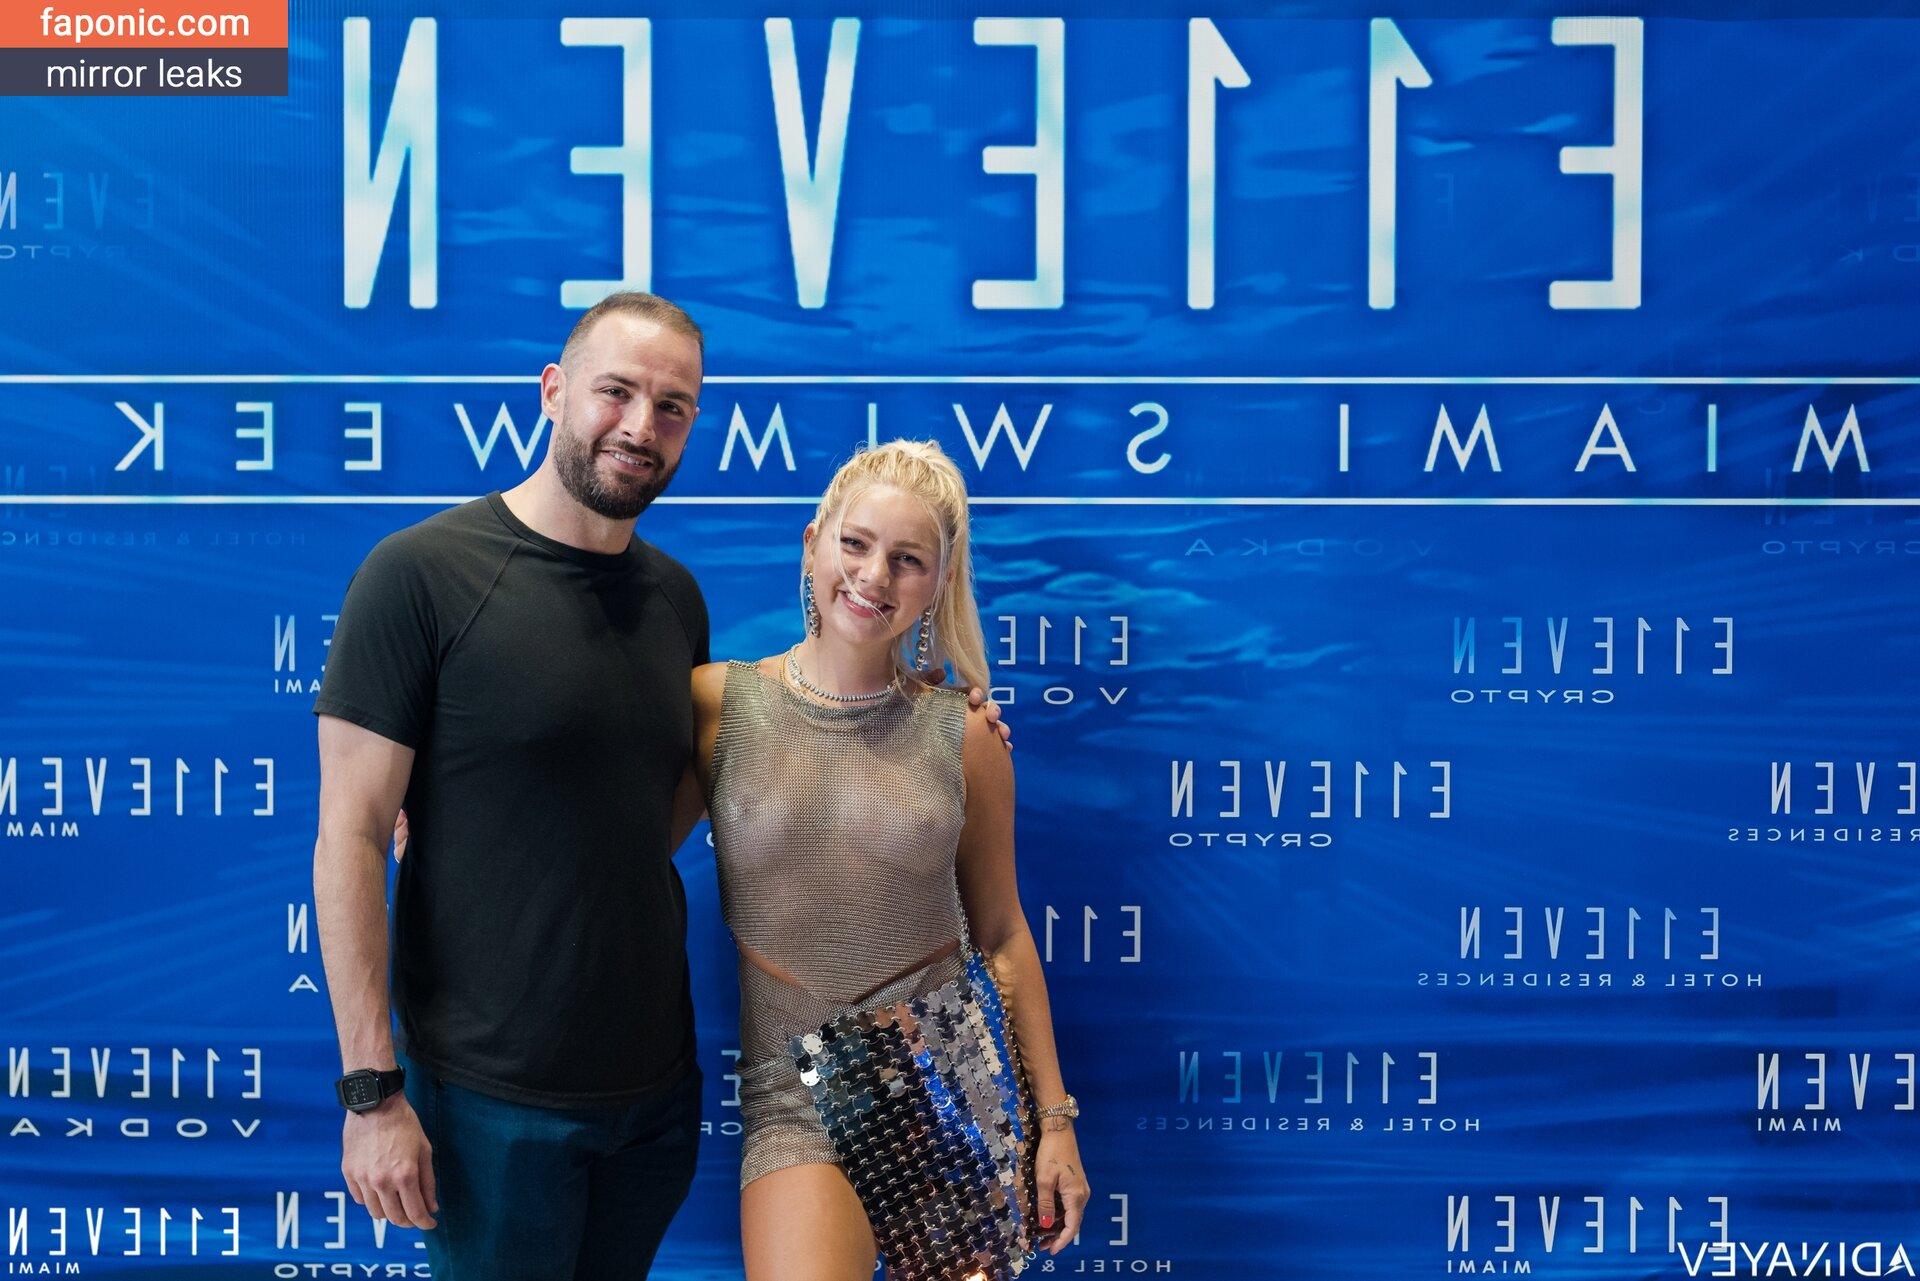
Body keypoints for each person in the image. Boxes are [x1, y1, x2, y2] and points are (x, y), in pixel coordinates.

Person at [310, 292, 1009, 1278]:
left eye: (672, 406)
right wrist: (371, 1093)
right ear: (553, 391)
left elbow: (672, 801)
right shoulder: (418, 576)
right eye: (617, 392)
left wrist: (936, 720)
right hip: (489, 1099)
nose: (641, 426)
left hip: (651, 1099)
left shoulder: (675, 601)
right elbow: (349, 834)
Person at [689, 439, 1091, 1281]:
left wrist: (1055, 1120)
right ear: (813, 544)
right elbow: (606, 835)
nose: (874, 575)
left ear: (937, 582)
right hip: (789, 1092)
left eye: (907, 559)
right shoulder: (718, 703)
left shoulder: (965, 732)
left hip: (940, 1078)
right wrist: (441, 808)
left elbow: (1003, 934)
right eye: (856, 543)